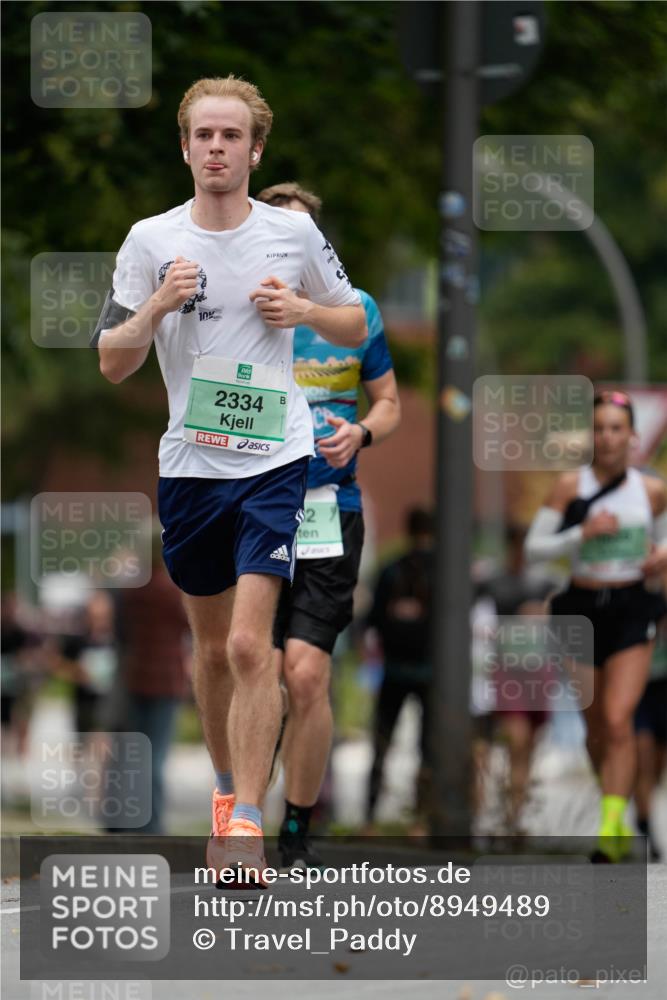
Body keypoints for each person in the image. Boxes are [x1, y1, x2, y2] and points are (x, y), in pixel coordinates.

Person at [95, 76, 366, 884]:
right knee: (210, 653)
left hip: (275, 460)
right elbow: (113, 361)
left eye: (231, 136)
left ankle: (248, 821)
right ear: (185, 147)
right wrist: (157, 308)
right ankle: (225, 793)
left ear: (255, 150)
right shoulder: (149, 239)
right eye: (203, 135)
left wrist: (305, 314)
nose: (217, 148)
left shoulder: (291, 234)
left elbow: (353, 316)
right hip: (189, 467)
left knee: (254, 645)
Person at [254, 182, 400, 867]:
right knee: (250, 665)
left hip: (327, 512)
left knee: (305, 674)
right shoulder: (237, 306)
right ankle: (242, 814)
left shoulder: (354, 311)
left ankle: (296, 826)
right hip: (252, 510)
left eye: (305, 233)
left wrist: (363, 434)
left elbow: (390, 401)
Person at [524, 389, 667, 861]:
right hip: (580, 608)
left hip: (631, 607)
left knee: (618, 717)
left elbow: (665, 539)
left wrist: (659, 557)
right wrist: (580, 533)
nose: (607, 438)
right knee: (595, 730)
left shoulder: (651, 490)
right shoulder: (571, 487)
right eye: (599, 429)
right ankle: (618, 808)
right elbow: (534, 549)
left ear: (632, 437)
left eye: (616, 429)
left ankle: (610, 828)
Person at [364, 507, 434, 832]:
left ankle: (370, 816)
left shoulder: (391, 569)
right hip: (430, 671)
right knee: (427, 747)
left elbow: (372, 618)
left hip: (393, 668)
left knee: (381, 742)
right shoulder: (442, 569)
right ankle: (421, 818)